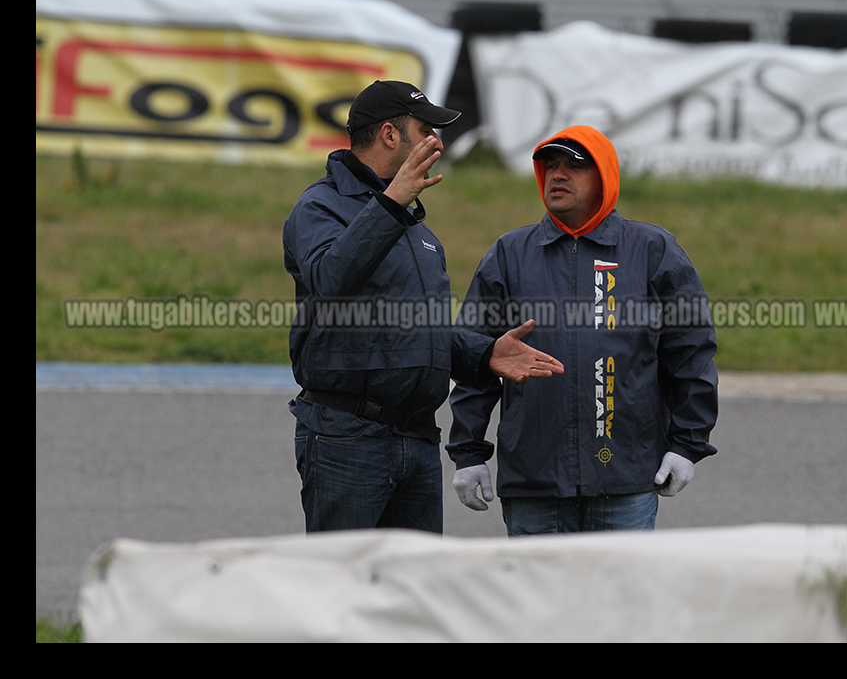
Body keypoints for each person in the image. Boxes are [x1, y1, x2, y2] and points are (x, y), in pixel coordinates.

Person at [283, 80, 563, 535]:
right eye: (426, 128)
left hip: (415, 439)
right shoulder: (320, 207)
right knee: (342, 588)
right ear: (391, 136)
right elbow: (329, 281)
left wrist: (482, 353)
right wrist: (391, 202)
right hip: (347, 438)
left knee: (413, 593)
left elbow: (410, 327)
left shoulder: (416, 227)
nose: (438, 140)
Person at [447, 125, 719, 536]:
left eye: (574, 166)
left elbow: (691, 352)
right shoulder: (509, 254)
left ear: (605, 177)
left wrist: (686, 445)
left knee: (619, 601)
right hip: (533, 484)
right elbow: (475, 356)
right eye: (550, 166)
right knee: (537, 603)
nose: (558, 175)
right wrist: (468, 452)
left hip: (625, 482)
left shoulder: (652, 250)